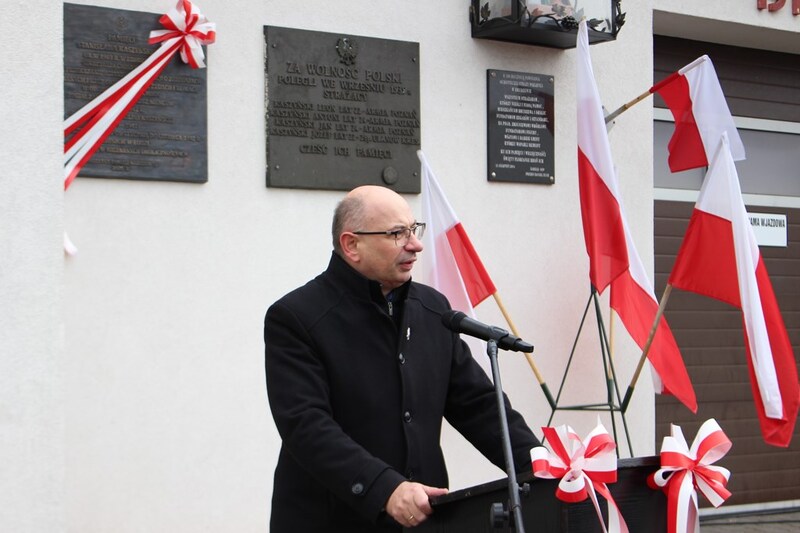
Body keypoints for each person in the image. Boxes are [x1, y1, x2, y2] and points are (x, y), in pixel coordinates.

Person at [264, 185, 540, 532]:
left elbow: (478, 406)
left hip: (421, 521)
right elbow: (306, 426)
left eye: (413, 229)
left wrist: (543, 466)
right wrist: (384, 488)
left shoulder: (433, 309)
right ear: (351, 245)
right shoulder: (296, 317)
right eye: (397, 233)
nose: (415, 244)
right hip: (328, 520)